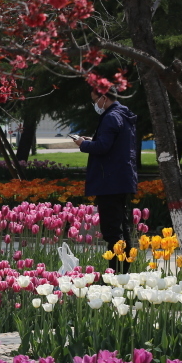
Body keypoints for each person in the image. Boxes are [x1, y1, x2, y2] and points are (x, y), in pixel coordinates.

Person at [73, 88, 138, 272]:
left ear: (103, 98)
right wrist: (92, 139)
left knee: (112, 230)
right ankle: (123, 270)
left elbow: (103, 147)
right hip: (121, 178)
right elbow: (113, 144)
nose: (94, 104)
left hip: (109, 181)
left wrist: (83, 144)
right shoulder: (123, 114)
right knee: (121, 227)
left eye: (94, 100)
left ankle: (115, 271)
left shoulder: (111, 117)